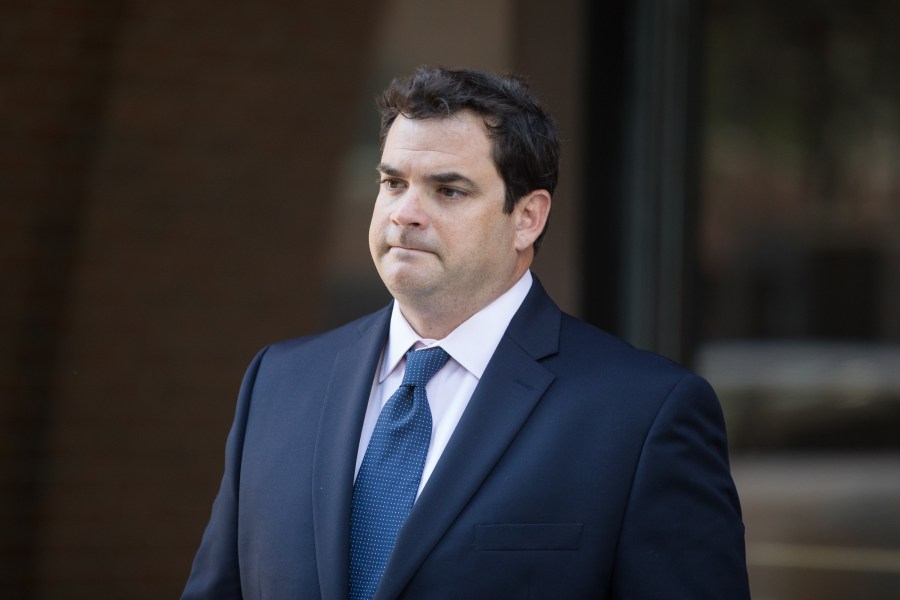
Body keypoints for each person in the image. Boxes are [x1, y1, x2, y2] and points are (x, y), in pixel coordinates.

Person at [182, 66, 750, 599]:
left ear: (527, 217)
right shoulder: (278, 383)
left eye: (448, 190)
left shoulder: (643, 414)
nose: (405, 213)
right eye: (392, 182)